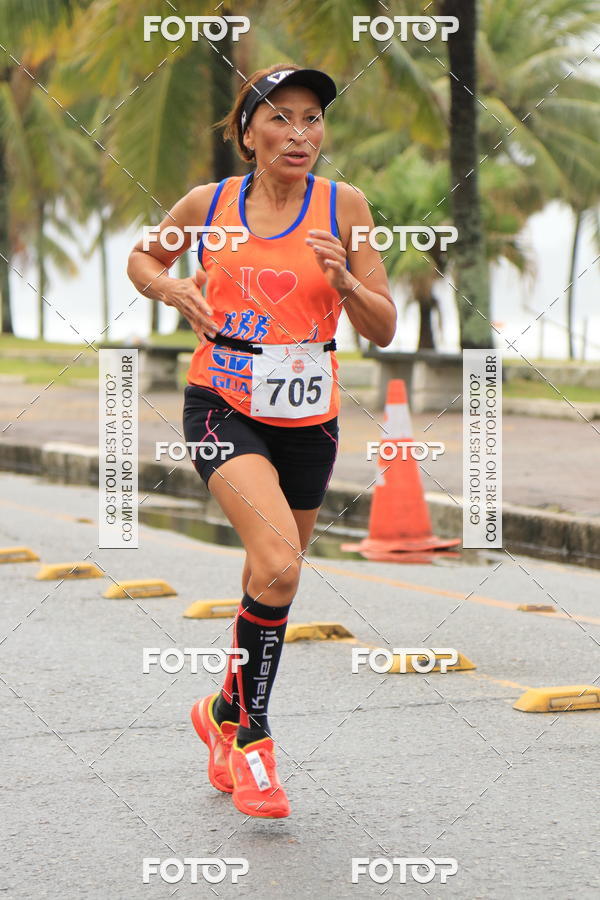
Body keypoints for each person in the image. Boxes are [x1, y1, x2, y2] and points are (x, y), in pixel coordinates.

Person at [127, 63, 395, 818]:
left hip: (311, 417)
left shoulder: (345, 206)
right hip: (222, 402)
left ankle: (220, 710)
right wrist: (170, 286)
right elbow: (143, 257)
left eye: (313, 118)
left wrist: (347, 283)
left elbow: (383, 325)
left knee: (273, 577)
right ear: (248, 134)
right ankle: (253, 742)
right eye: (281, 118)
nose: (300, 133)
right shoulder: (208, 204)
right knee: (278, 561)